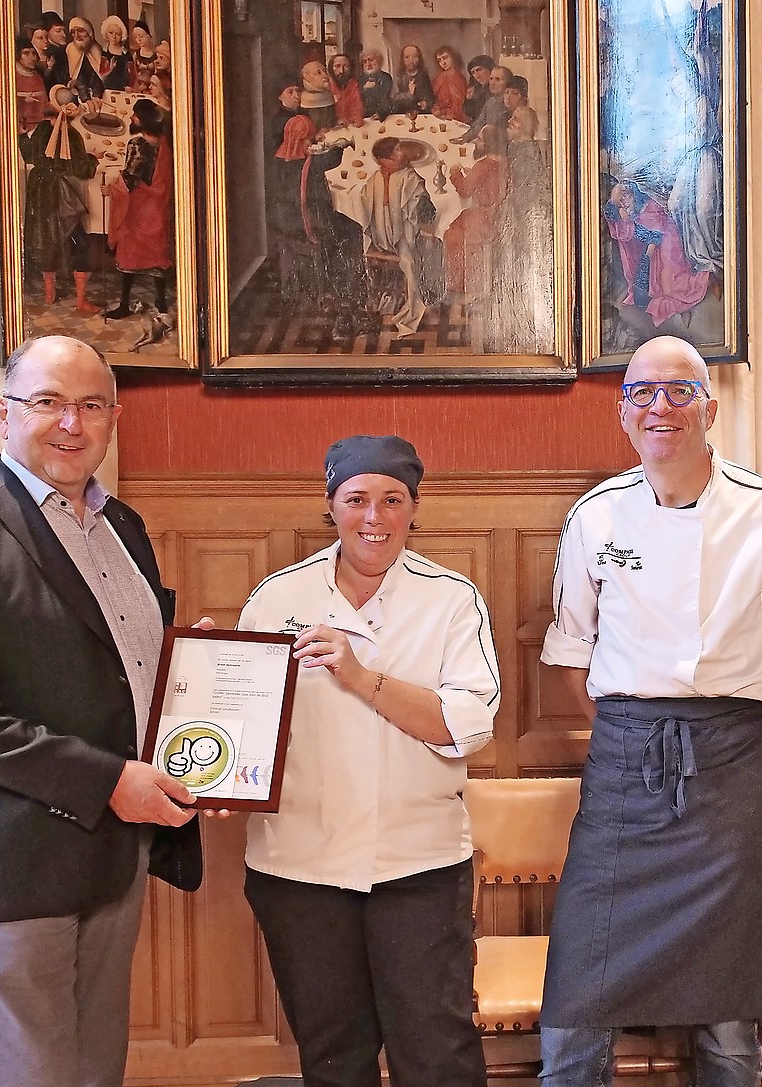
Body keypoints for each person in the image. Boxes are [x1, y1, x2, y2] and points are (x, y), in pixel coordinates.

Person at [0, 335, 203, 1087]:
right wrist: (105, 780)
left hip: (114, 853)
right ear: (4, 413)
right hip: (15, 861)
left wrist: (204, 760)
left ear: (114, 418)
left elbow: (133, 670)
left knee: (98, 1071)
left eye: (91, 405)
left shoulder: (121, 526)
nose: (72, 422)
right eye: (48, 402)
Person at [539, 335, 762, 1087]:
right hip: (622, 769)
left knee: (731, 1011)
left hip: (732, 770)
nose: (659, 406)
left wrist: (720, 739)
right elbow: (575, 658)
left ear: (710, 405)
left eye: (678, 390)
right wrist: (635, 734)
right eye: (642, 392)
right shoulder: (595, 516)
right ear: (623, 413)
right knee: (577, 989)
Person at [236, 434, 498, 1087]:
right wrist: (205, 686)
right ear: (331, 506)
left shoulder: (451, 599)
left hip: (420, 865)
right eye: (356, 499)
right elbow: (245, 719)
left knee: (437, 1053)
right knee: (332, 1053)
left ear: (414, 508)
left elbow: (466, 725)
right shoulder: (276, 597)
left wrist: (360, 675)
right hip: (299, 866)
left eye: (392, 499)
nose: (373, 517)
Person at [270, 113, 367, 335]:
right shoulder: (310, 164)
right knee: (354, 230)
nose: (311, 143)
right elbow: (332, 157)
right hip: (309, 224)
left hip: (285, 222)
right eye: (309, 139)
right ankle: (350, 297)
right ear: (301, 139)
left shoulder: (280, 157)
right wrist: (344, 143)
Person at [19, 84, 102, 314]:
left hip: (39, 189)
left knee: (48, 241)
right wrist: (93, 158)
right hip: (60, 193)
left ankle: (49, 295)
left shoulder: (41, 131)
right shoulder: (71, 134)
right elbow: (82, 170)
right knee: (79, 242)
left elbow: (28, 152)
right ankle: (81, 300)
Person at [356, 137, 437, 336]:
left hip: (380, 239)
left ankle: (395, 290)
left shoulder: (373, 178)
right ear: (385, 159)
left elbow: (363, 209)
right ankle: (430, 294)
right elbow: (427, 212)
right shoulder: (410, 178)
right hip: (403, 241)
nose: (403, 153)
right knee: (435, 244)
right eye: (398, 150)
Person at [605, 179, 710, 329]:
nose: (623, 204)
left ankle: (707, 282)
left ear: (631, 193)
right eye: (619, 203)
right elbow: (624, 234)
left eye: (624, 198)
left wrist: (652, 246)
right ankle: (682, 307)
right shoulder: (631, 215)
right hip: (652, 254)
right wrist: (624, 218)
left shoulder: (649, 206)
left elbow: (660, 227)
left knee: (669, 287)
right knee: (647, 294)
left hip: (669, 242)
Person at [104, 98, 174, 321]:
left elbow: (130, 177)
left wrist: (111, 189)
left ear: (142, 120)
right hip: (158, 207)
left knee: (128, 255)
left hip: (139, 208)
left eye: (134, 115)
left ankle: (124, 304)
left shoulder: (137, 144)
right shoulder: (164, 142)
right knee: (158, 255)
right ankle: (161, 303)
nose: (131, 118)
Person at [443, 123, 508, 299]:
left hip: (483, 217)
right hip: (498, 214)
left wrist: (455, 173)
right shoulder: (502, 161)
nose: (476, 143)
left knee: (451, 234)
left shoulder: (483, 165)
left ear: (488, 144)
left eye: (479, 139)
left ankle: (461, 286)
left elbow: (464, 190)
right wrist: (473, 175)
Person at [452, 65, 510, 144]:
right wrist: (465, 138)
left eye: (498, 79)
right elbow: (479, 123)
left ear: (508, 82)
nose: (492, 83)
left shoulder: (509, 105)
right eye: (491, 78)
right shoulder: (490, 102)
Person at [15, 36, 49, 134]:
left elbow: (45, 105)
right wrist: (22, 101)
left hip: (39, 127)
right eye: (26, 53)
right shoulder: (12, 77)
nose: (32, 58)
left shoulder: (38, 77)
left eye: (33, 53)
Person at [390, 43, 434, 116]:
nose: (411, 60)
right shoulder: (399, 76)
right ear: (402, 60)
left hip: (421, 115)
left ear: (419, 59)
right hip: (403, 115)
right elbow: (393, 99)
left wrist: (426, 103)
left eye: (414, 57)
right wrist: (409, 94)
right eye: (407, 57)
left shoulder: (423, 76)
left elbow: (430, 97)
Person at [431, 46, 467, 122]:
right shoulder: (438, 78)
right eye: (439, 60)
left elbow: (459, 103)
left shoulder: (458, 77)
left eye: (445, 58)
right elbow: (435, 99)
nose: (443, 63)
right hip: (440, 116)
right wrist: (436, 109)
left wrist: (447, 114)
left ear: (453, 57)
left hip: (455, 117)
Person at [329, 52, 364, 126]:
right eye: (337, 66)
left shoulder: (358, 86)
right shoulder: (327, 88)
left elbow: (358, 108)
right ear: (331, 68)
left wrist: (357, 118)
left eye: (346, 66)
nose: (341, 71)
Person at [359, 48, 393, 121]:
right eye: (365, 61)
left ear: (379, 61)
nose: (368, 64)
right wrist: (364, 89)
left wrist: (380, 113)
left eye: (371, 60)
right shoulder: (360, 79)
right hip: (363, 118)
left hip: (381, 117)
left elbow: (386, 98)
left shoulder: (385, 78)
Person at [99, 15, 130, 92]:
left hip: (124, 89)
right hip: (108, 89)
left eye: (118, 34)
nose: (114, 36)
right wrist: (110, 68)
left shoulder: (126, 54)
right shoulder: (104, 53)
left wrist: (129, 86)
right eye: (111, 33)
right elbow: (101, 75)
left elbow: (132, 74)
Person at [462, 54, 494, 123]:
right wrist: (469, 99)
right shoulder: (477, 89)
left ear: (489, 68)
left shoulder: (497, 89)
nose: (477, 76)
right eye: (473, 72)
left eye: (479, 70)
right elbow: (470, 115)